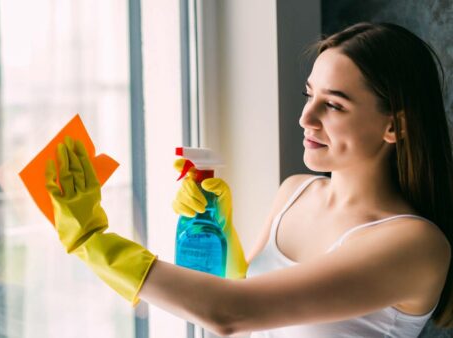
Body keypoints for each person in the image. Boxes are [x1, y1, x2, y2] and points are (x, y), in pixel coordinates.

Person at [45, 22, 453, 337]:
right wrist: (218, 234)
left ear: (394, 127)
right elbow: (250, 316)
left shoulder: (415, 246)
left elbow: (230, 313)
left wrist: (92, 242)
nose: (305, 118)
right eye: (308, 95)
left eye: (333, 105)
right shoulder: (296, 192)